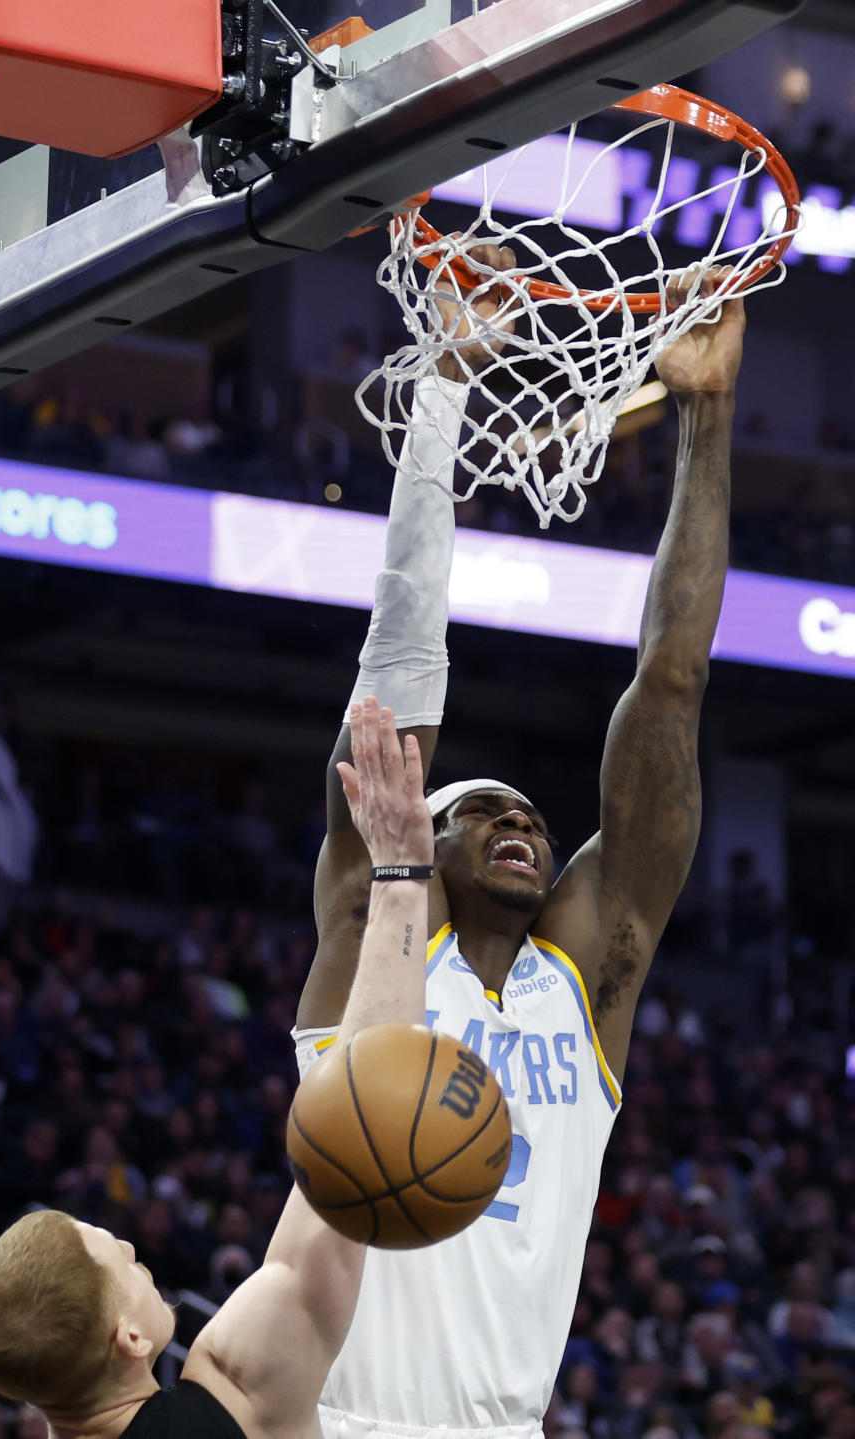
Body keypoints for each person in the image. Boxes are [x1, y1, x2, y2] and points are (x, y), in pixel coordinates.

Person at [295, 247, 747, 1438]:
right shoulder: (375, 943)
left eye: (533, 817)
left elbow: (673, 683)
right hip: (343, 1416)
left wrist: (709, 415)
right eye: (475, 810)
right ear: (415, 846)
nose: (516, 820)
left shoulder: (584, 981)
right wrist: (441, 386)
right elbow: (394, 667)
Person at [0, 698, 435, 1439]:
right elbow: (359, 1137)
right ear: (131, 1339)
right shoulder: (230, 1397)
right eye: (119, 1258)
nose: (129, 1245)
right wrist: (402, 871)